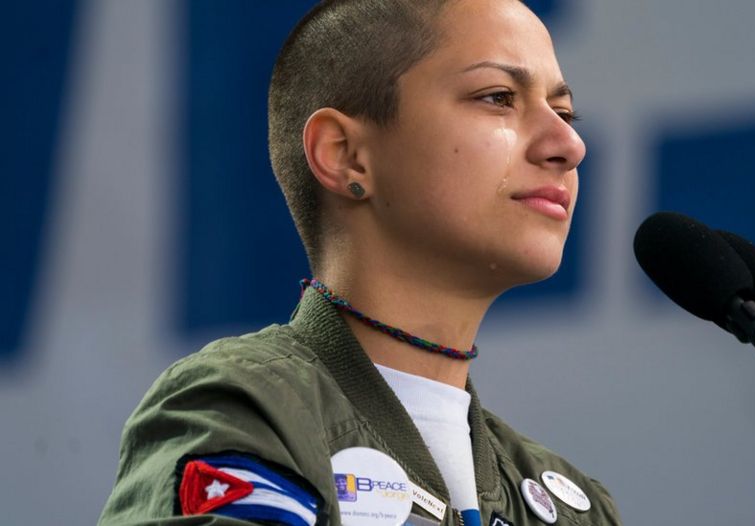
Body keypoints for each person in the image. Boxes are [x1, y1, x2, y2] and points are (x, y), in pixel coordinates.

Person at [99, 0, 623, 524]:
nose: (569, 144)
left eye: (564, 112)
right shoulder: (248, 411)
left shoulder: (575, 506)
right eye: (498, 97)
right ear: (346, 154)